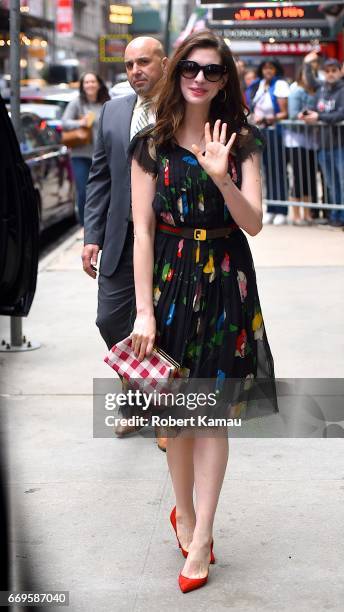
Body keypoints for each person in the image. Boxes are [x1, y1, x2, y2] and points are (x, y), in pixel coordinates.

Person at [129, 30, 278, 593]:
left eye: (212, 71)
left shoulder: (243, 142)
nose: (199, 78)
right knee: (177, 415)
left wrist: (221, 177)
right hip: (168, 279)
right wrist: (143, 312)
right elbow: (142, 231)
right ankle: (185, 516)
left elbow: (255, 223)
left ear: (225, 80)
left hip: (225, 279)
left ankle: (204, 533)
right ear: (176, 72)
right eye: (190, 67)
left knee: (210, 414)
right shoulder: (151, 145)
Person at [82, 37, 168, 442]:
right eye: (130, 64)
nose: (136, 70)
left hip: (170, 237)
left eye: (144, 62)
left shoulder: (182, 108)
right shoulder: (112, 110)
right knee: (110, 319)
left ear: (164, 63)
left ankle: (171, 413)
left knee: (168, 323)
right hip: (121, 237)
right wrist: (92, 236)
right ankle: (137, 393)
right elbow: (100, 177)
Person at [62, 72, 110, 226]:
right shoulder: (77, 103)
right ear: (82, 86)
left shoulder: (107, 103)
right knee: (83, 191)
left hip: (102, 156)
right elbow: (64, 123)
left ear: (99, 84)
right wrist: (80, 123)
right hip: (80, 155)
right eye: (86, 82)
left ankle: (101, 223)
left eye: (92, 81)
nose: (90, 85)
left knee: (102, 191)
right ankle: (84, 225)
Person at [301, 57, 344, 227]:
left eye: (334, 70)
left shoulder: (342, 89)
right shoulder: (322, 88)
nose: (331, 74)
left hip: (340, 144)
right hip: (324, 145)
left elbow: (341, 114)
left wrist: (319, 117)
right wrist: (306, 63)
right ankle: (335, 215)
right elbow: (310, 80)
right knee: (332, 184)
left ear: (340, 71)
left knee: (341, 182)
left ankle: (341, 215)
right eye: (327, 71)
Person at [247, 59, 289, 225]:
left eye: (271, 68)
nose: (267, 71)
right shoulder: (259, 84)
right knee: (266, 171)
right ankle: (272, 207)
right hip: (260, 131)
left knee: (278, 170)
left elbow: (284, 113)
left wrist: (268, 118)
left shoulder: (280, 85)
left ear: (276, 69)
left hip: (275, 132)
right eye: (265, 68)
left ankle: (282, 210)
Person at [285, 67, 317, 225]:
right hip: (296, 140)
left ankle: (307, 213)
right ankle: (296, 214)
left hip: (311, 140)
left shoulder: (314, 92)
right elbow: (292, 114)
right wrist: (303, 116)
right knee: (298, 177)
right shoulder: (296, 91)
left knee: (309, 178)